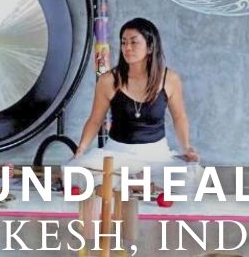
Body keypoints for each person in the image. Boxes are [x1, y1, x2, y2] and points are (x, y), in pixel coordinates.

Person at [66, 18, 200, 187]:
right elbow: (95, 120)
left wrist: (187, 147)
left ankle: (134, 181)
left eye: (133, 42)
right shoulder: (108, 80)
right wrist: (81, 150)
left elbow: (179, 117)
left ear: (150, 47)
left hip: (156, 155)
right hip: (117, 153)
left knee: (193, 176)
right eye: (123, 43)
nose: (127, 48)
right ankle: (138, 182)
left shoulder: (170, 79)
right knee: (76, 171)